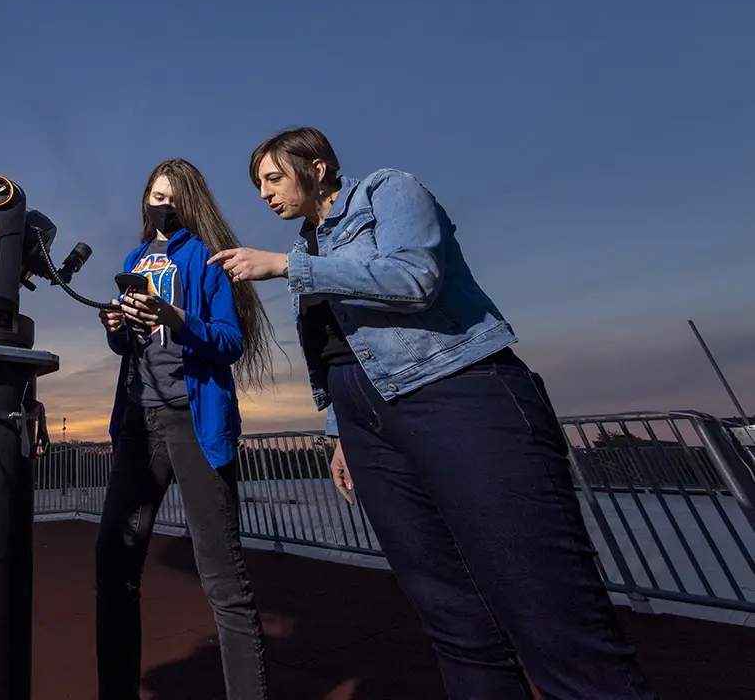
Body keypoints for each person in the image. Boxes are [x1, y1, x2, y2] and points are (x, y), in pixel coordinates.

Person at [208, 127, 660, 700]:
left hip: (457, 395)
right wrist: (339, 431)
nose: (266, 194)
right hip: (366, 423)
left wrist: (288, 268)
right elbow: (335, 347)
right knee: (452, 618)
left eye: (273, 178)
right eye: (258, 186)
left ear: (316, 167)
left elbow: (415, 277)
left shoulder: (387, 191)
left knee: (548, 607)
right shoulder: (305, 248)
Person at [95, 159, 276, 700]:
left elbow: (229, 343)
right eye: (155, 196)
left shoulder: (209, 257)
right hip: (137, 420)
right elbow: (133, 348)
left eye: (172, 197)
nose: (162, 205)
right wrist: (116, 329)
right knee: (114, 559)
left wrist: (175, 317)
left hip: (193, 421)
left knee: (222, 577)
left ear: (189, 200)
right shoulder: (133, 258)